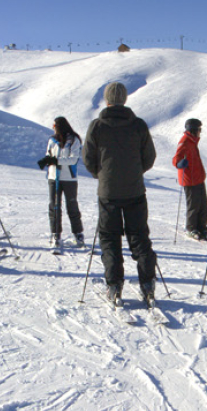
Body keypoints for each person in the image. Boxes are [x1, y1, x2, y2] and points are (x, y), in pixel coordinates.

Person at [83, 82, 158, 306]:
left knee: (109, 238)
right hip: (134, 190)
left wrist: (103, 175)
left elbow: (88, 159)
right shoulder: (138, 125)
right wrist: (135, 172)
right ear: (124, 100)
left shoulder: (97, 126)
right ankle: (147, 284)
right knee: (139, 237)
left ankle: (114, 285)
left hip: (108, 192)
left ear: (106, 100)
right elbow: (149, 157)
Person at [37, 116, 85, 247]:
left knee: (72, 205)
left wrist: (56, 161)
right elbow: (49, 154)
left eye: (55, 126)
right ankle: (55, 233)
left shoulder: (73, 140)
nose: (53, 128)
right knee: (54, 205)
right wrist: (46, 160)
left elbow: (73, 159)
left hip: (68, 177)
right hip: (54, 177)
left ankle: (78, 233)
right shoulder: (52, 140)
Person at [173, 117, 207, 241]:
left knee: (203, 205)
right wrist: (179, 164)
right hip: (189, 180)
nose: (200, 132)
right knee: (193, 205)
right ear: (193, 129)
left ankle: (202, 227)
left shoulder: (193, 141)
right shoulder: (184, 142)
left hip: (198, 178)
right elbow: (175, 159)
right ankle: (191, 228)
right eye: (199, 129)